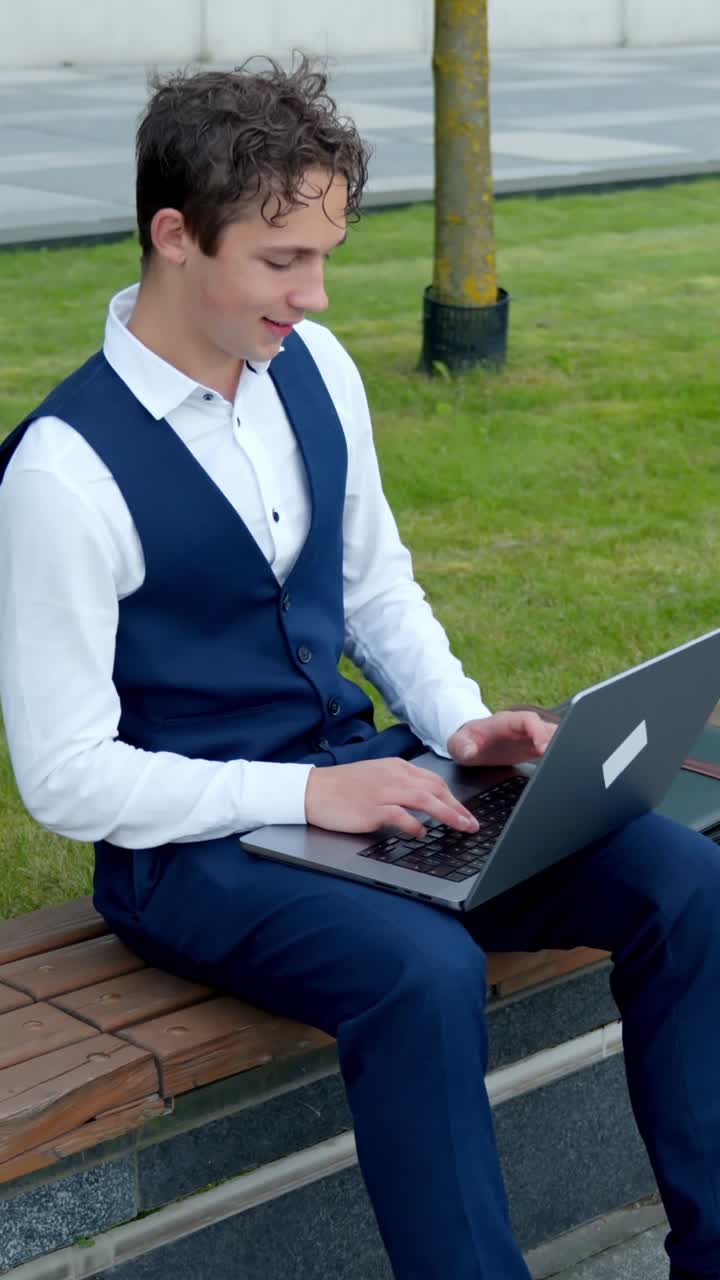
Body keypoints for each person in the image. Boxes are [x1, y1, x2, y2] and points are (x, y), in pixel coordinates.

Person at [0, 58, 719, 1280]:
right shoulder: (61, 477)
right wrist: (302, 795)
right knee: (423, 970)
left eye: (325, 254)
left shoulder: (314, 374)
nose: (316, 295)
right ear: (175, 237)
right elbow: (66, 779)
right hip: (190, 857)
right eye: (282, 262)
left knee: (682, 877)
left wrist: (461, 721)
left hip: (365, 784)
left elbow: (376, 586)